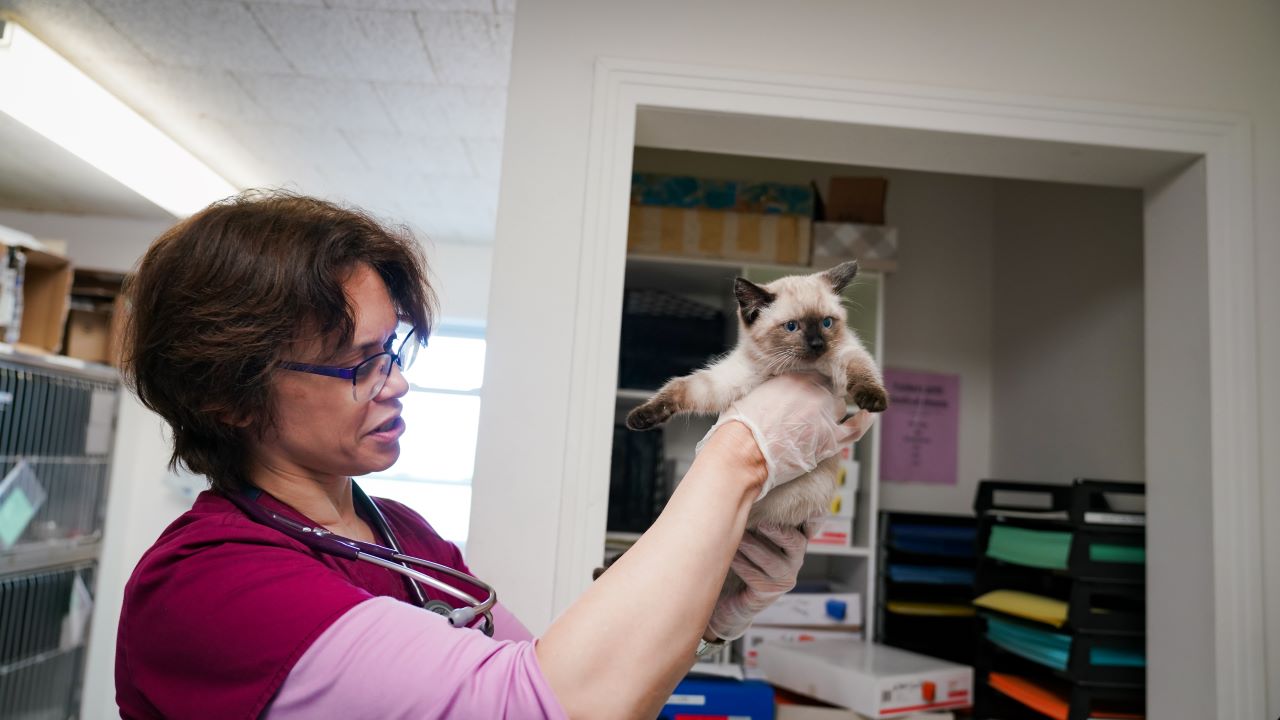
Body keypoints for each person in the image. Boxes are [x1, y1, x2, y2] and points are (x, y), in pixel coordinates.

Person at [113, 191, 876, 719]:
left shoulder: (404, 538)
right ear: (229, 396)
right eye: (358, 363)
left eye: (396, 350)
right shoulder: (209, 587)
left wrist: (705, 607)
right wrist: (737, 458)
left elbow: (563, 674)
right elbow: (548, 709)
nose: (397, 382)